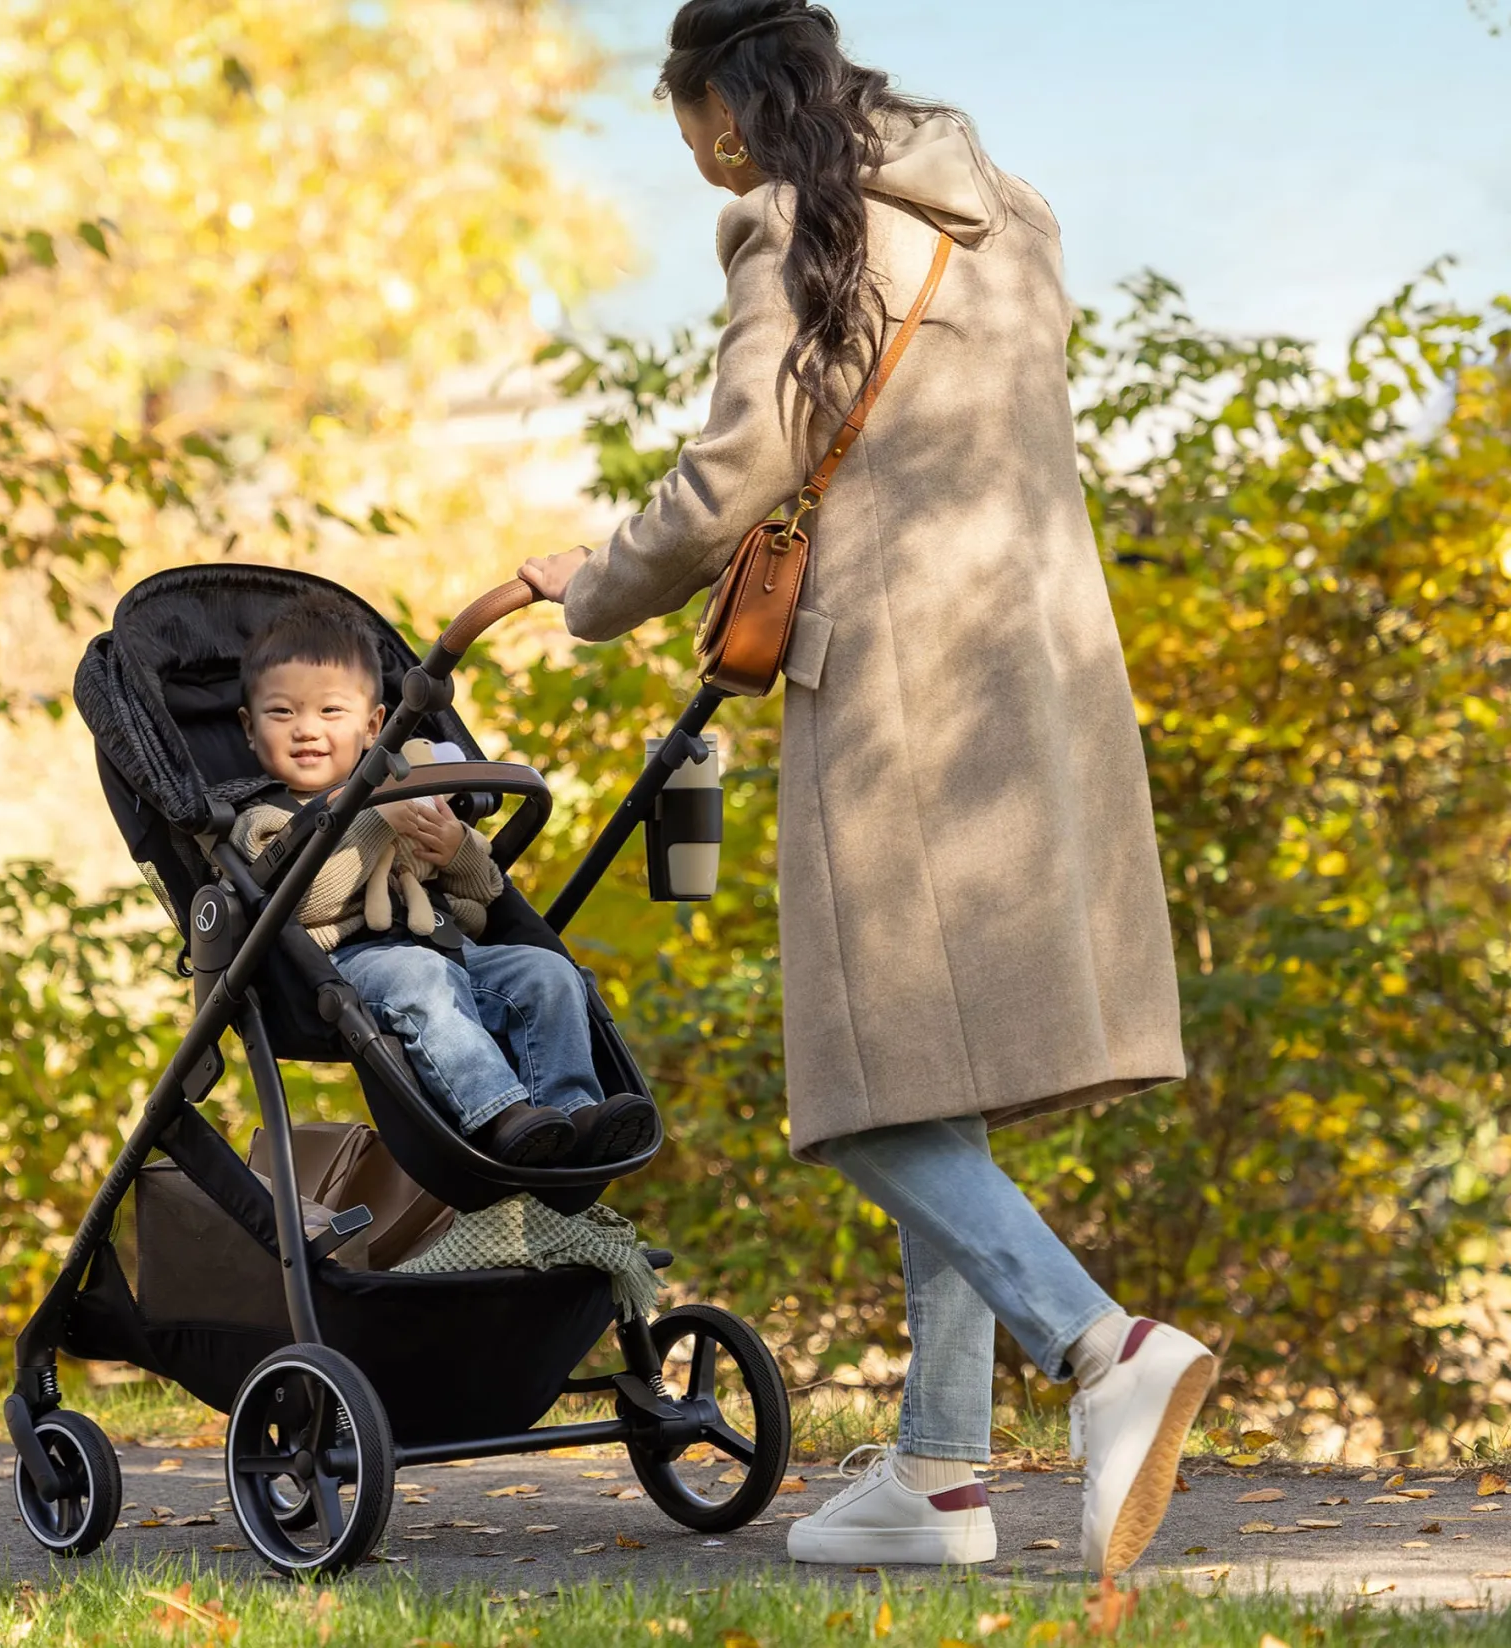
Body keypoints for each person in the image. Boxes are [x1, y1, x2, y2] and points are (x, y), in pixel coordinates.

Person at [519, 0, 1216, 1577]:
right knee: (932, 1076)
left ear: (722, 106)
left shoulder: (789, 223)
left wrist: (591, 589)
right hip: (1038, 674)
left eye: (686, 125)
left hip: (900, 693)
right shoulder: (1007, 213)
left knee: (861, 1096)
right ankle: (940, 1475)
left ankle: (1101, 1346)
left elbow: (736, 471)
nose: (696, 157)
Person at [232, 595, 656, 1169]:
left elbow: (483, 895)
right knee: (419, 972)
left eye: (331, 711)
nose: (307, 729)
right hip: (352, 966)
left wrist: (458, 850)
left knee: (547, 971)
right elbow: (306, 901)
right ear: (250, 728)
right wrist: (376, 821)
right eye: (282, 713)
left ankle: (573, 1110)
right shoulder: (264, 821)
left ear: (373, 726)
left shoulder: (412, 795)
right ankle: (502, 1115)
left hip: (453, 952)